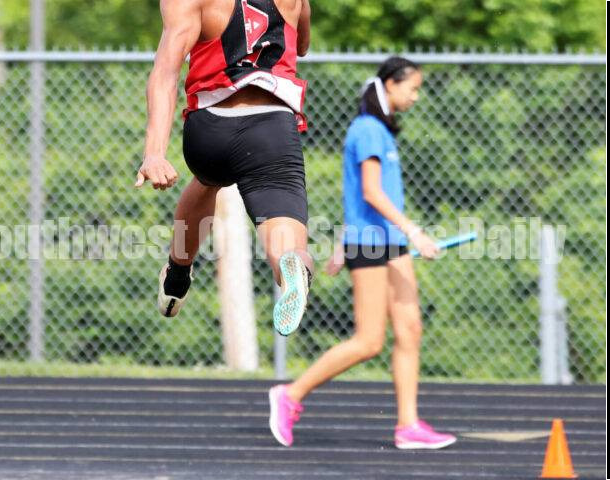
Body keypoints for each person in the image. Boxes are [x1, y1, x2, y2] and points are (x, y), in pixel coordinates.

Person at [268, 56, 458, 450]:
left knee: (409, 330)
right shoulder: (368, 130)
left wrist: (345, 242)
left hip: (390, 243)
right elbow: (370, 193)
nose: (416, 96)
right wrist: (414, 232)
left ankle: (408, 426)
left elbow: (357, 197)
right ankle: (290, 395)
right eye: (413, 88)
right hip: (374, 243)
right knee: (370, 340)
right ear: (390, 84)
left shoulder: (382, 131)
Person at [137, 0, 314, 336]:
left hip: (209, 130)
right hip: (271, 129)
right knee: (288, 245)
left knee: (207, 180)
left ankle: (178, 271)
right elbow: (302, 44)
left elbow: (165, 72)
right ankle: (291, 266)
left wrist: (155, 153)